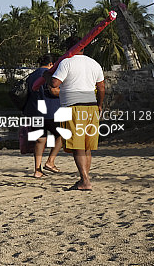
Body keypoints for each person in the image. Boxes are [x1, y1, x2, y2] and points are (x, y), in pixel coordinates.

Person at [46, 36, 105, 191]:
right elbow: (101, 88)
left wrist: (46, 76)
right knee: (87, 146)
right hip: (91, 107)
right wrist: (99, 105)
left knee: (78, 146)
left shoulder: (66, 62)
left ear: (69, 48)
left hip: (73, 107)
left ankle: (85, 180)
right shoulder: (94, 63)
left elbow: (54, 83)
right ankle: (84, 178)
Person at [24, 53, 63, 178]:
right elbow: (53, 91)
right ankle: (50, 161)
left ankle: (37, 170)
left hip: (35, 112)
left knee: (40, 140)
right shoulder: (50, 74)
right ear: (51, 64)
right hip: (51, 111)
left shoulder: (31, 76)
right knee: (63, 134)